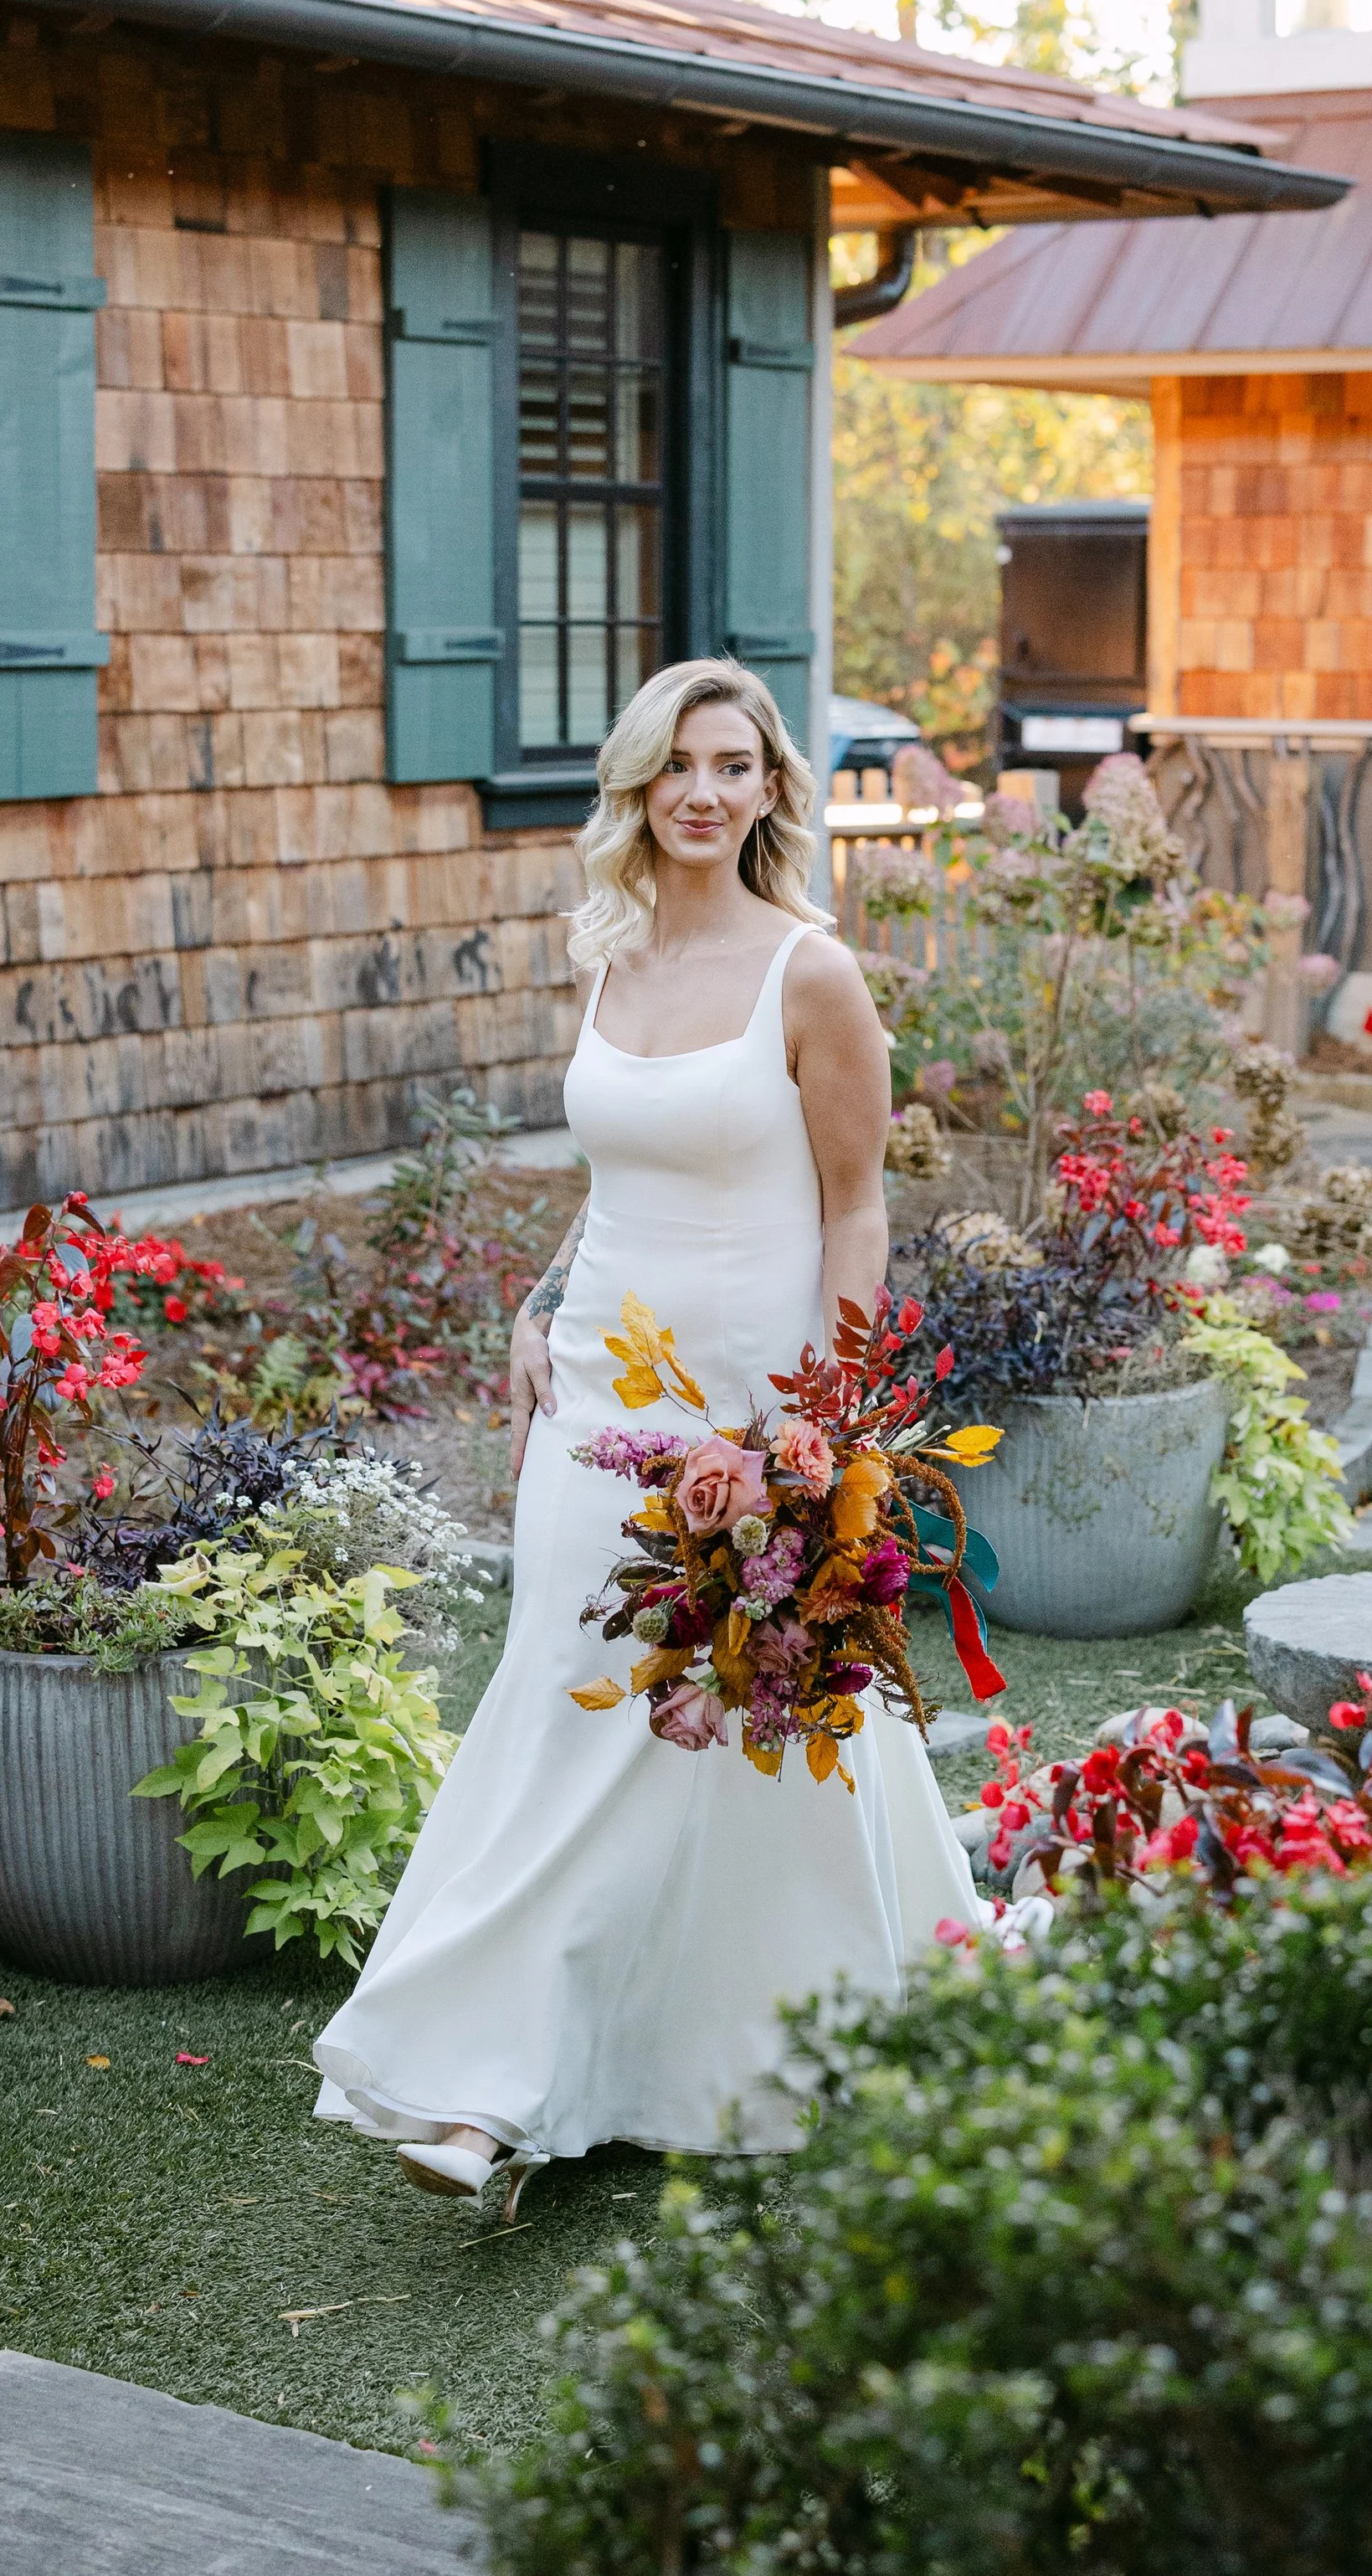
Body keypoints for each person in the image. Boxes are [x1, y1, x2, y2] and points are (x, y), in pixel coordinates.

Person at [312, 657, 983, 2203]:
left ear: (769, 791)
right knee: (564, 1693)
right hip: (599, 1392)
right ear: (639, 783)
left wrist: (822, 1424)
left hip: (758, 1401)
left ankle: (767, 2041)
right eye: (678, 763)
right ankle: (488, 2086)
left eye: (733, 765)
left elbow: (857, 1202)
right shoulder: (607, 956)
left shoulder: (812, 971)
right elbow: (620, 1177)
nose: (703, 790)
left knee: (748, 1723)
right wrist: (537, 1301)